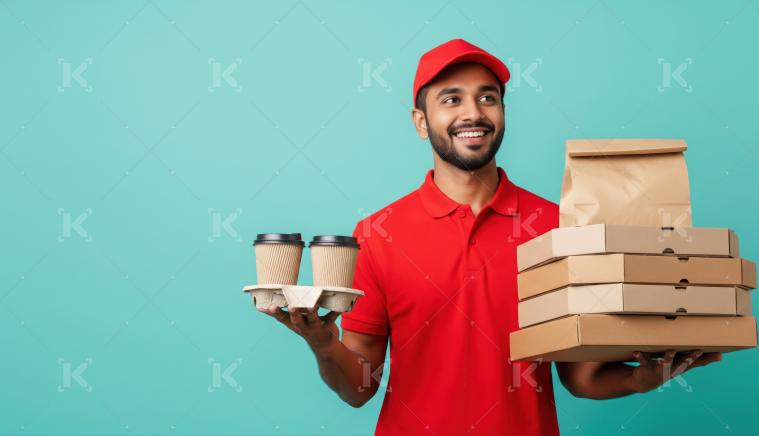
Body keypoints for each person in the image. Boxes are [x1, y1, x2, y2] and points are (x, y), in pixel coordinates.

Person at [262, 38, 722, 435]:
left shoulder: (559, 227)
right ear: (420, 122)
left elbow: (580, 376)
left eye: (488, 98)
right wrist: (324, 346)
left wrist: (643, 379)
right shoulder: (379, 233)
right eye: (451, 99)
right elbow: (359, 388)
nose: (472, 113)